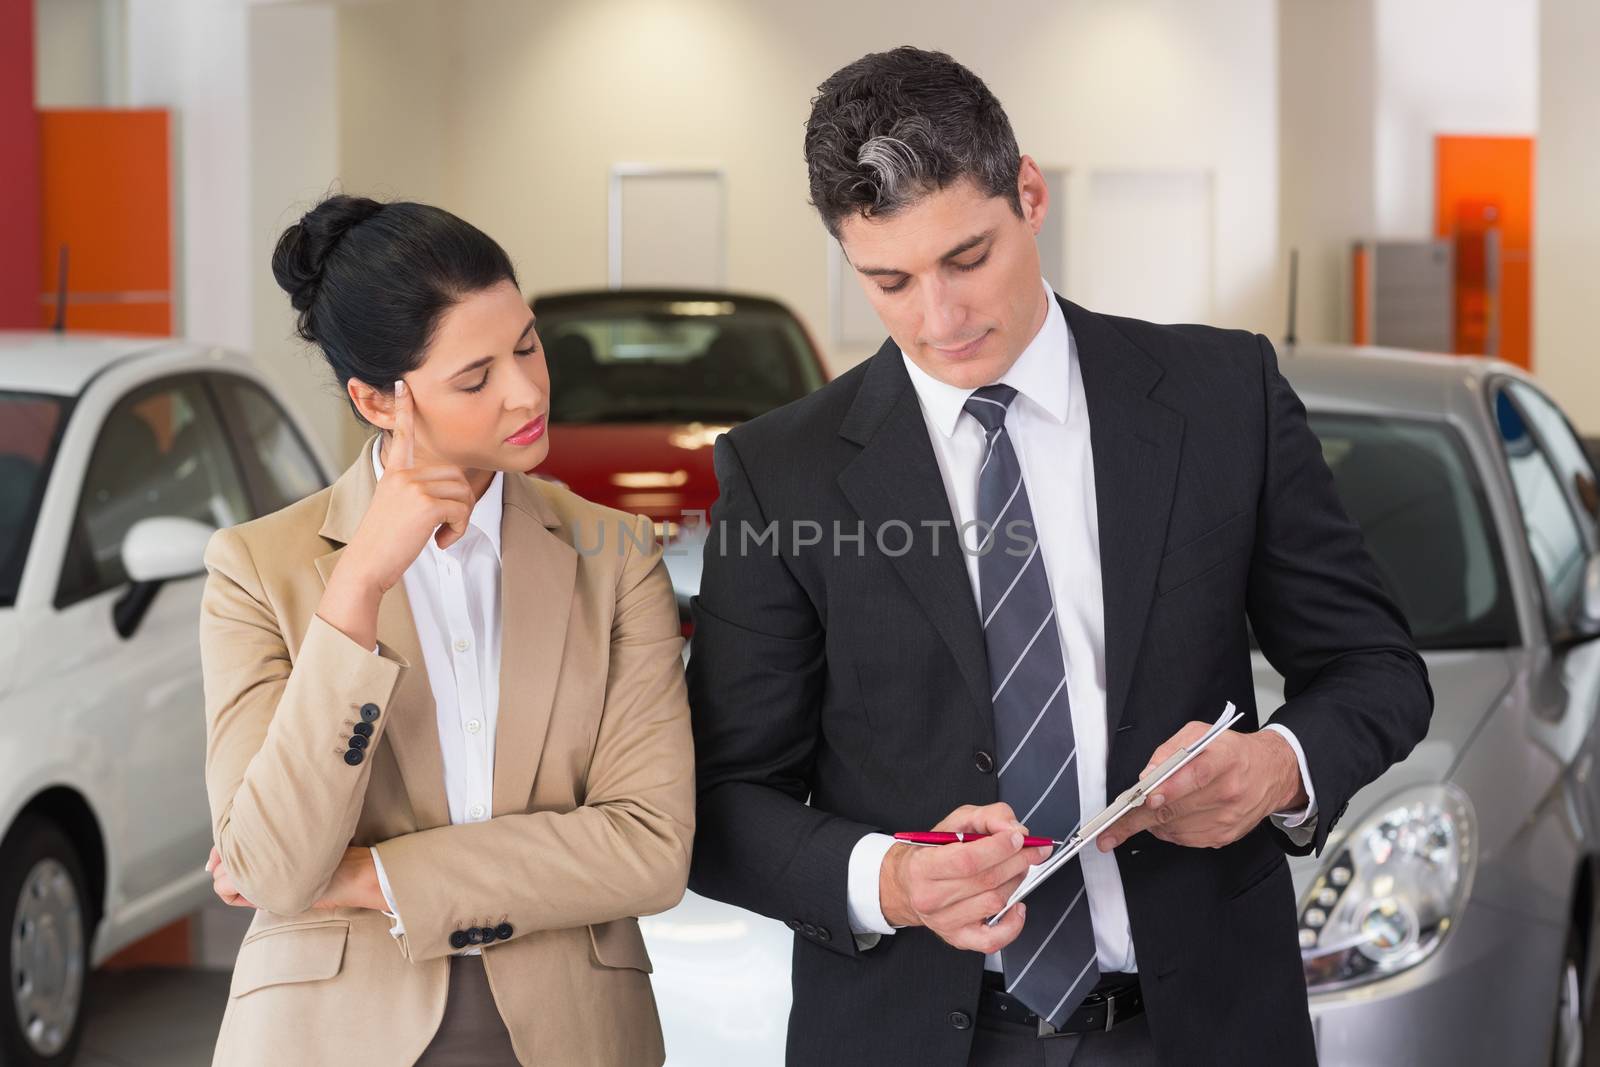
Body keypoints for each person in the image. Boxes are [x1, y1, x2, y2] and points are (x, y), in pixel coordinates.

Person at [686, 47, 1432, 1066]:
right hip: (910, 1032)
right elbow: (723, 800)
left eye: (966, 258)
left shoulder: (1223, 398)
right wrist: (887, 877)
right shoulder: (782, 473)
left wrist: (1276, 766)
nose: (937, 319)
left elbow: (1375, 669)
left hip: (1199, 1028)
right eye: (888, 280)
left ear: (1027, 194)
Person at [200, 195, 693, 1066]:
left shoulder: (612, 554)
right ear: (375, 398)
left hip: (576, 1029)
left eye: (529, 345)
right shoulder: (256, 568)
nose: (526, 390)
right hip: (327, 1036)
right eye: (476, 377)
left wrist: (373, 875)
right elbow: (275, 872)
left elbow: (650, 846)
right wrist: (356, 585)